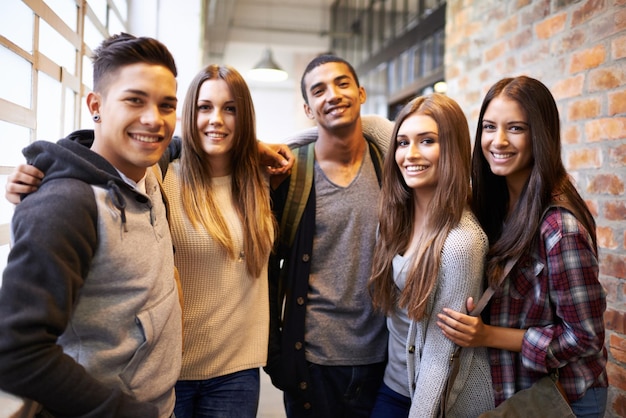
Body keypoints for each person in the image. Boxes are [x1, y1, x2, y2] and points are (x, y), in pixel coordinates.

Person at [0, 33, 182, 417]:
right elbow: (16, 353)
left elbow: (189, 142)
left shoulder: (149, 171)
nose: (154, 119)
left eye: (166, 106)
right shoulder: (66, 205)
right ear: (95, 105)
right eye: (135, 100)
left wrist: (261, 148)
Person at [436, 76, 608, 417]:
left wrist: (487, 335)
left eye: (515, 128)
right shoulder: (493, 206)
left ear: (539, 135)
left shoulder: (560, 228)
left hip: (564, 400)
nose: (498, 141)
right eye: (489, 127)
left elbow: (585, 337)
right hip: (517, 395)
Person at [265, 54, 390, 418]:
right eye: (319, 90)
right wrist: (277, 356)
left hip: (385, 359)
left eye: (342, 83)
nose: (332, 95)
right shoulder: (290, 175)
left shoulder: (390, 164)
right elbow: (266, 271)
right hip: (314, 361)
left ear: (361, 93)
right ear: (308, 108)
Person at [368, 93, 494, 418]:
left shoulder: (460, 243)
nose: (410, 154)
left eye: (427, 141)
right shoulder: (396, 219)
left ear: (451, 149)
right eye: (402, 142)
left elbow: (441, 353)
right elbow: (362, 124)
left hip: (433, 401)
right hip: (392, 383)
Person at [165, 64, 275, 418]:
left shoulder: (262, 179)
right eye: (205, 107)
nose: (218, 120)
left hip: (237, 372)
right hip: (171, 373)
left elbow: (329, 138)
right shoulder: (162, 177)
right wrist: (46, 171)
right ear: (189, 113)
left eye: (231, 109)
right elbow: (106, 151)